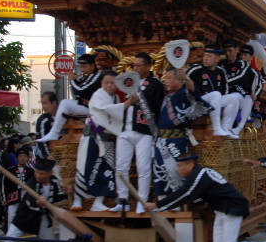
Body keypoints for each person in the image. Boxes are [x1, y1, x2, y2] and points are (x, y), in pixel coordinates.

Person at [145, 153, 266, 242]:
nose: (177, 169)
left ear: (190, 164)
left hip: (232, 209)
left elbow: (185, 194)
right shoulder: (198, 175)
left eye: (180, 166)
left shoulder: (199, 176)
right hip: (221, 210)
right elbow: (198, 196)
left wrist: (157, 205)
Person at [115, 52, 165, 213]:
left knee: (143, 168)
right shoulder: (128, 80)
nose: (135, 68)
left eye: (138, 65)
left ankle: (142, 201)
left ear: (148, 66)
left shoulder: (155, 84)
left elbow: (159, 108)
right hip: (125, 129)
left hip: (145, 130)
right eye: (134, 65)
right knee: (121, 167)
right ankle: (123, 200)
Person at [153, 66, 211, 199]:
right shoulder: (164, 95)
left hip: (177, 140)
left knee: (177, 170)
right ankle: (162, 200)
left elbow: (195, 92)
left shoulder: (184, 94)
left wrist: (186, 78)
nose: (165, 81)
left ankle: (178, 200)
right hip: (161, 140)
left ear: (178, 80)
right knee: (160, 168)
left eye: (169, 78)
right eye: (165, 78)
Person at [73, 70, 124, 212]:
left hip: (107, 139)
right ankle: (77, 200)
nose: (109, 85)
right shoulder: (98, 95)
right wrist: (126, 105)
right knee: (85, 167)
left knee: (106, 169)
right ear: (101, 83)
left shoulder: (116, 99)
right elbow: (111, 110)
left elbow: (117, 114)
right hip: (92, 136)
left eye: (112, 83)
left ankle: (98, 201)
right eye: (106, 82)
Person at [38, 54, 103, 143]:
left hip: (95, 109)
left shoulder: (97, 75)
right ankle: (55, 132)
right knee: (65, 104)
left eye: (85, 67)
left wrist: (72, 80)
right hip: (88, 106)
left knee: (65, 103)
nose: (82, 69)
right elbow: (78, 93)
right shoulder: (89, 76)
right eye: (81, 67)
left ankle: (55, 132)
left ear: (93, 66)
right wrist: (75, 81)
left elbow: (82, 91)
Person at [185, 44, 241, 138]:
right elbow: (184, 83)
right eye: (204, 56)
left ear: (217, 59)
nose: (205, 58)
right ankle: (216, 128)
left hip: (213, 103)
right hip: (197, 103)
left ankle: (226, 129)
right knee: (216, 94)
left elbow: (225, 89)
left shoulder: (221, 71)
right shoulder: (195, 69)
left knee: (233, 98)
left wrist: (220, 106)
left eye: (209, 56)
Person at [220, 40, 261, 136]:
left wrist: (256, 94)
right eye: (242, 55)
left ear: (251, 57)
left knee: (247, 98)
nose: (243, 57)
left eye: (245, 55)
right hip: (226, 94)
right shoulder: (222, 64)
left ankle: (238, 128)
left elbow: (258, 85)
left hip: (242, 97)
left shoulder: (250, 70)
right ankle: (226, 129)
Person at [0, 149, 34, 229]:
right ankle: (11, 235)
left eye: (24, 156)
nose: (22, 158)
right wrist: (3, 198)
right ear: (17, 158)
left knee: (26, 219)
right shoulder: (10, 171)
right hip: (13, 199)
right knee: (11, 218)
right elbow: (4, 184)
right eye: (20, 156)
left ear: (27, 158)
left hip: (27, 200)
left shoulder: (31, 171)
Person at [36, 91, 58, 160]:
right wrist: (47, 156)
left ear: (54, 103)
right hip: (48, 160)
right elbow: (41, 140)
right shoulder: (43, 120)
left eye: (45, 103)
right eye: (42, 103)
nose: (43, 106)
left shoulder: (65, 116)